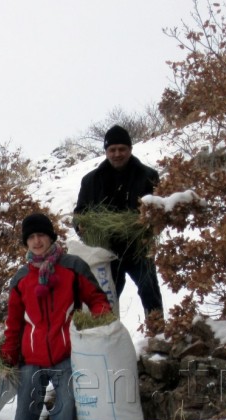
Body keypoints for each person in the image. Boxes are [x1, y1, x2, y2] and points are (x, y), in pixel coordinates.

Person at [1, 213, 111, 420]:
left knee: (65, 406)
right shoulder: (20, 280)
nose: (37, 241)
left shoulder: (72, 267)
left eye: (41, 235)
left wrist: (99, 320)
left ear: (51, 237)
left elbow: (96, 299)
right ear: (25, 243)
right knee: (25, 415)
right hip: (31, 357)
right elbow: (14, 322)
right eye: (30, 237)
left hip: (67, 353)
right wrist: (9, 350)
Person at [74, 124, 164, 332]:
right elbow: (80, 214)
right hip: (106, 252)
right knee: (105, 299)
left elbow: (159, 209)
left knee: (149, 289)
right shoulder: (90, 181)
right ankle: (104, 338)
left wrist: (149, 224)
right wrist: (82, 227)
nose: (117, 154)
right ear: (106, 152)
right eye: (112, 150)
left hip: (138, 248)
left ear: (130, 149)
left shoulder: (148, 176)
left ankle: (158, 336)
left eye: (122, 149)